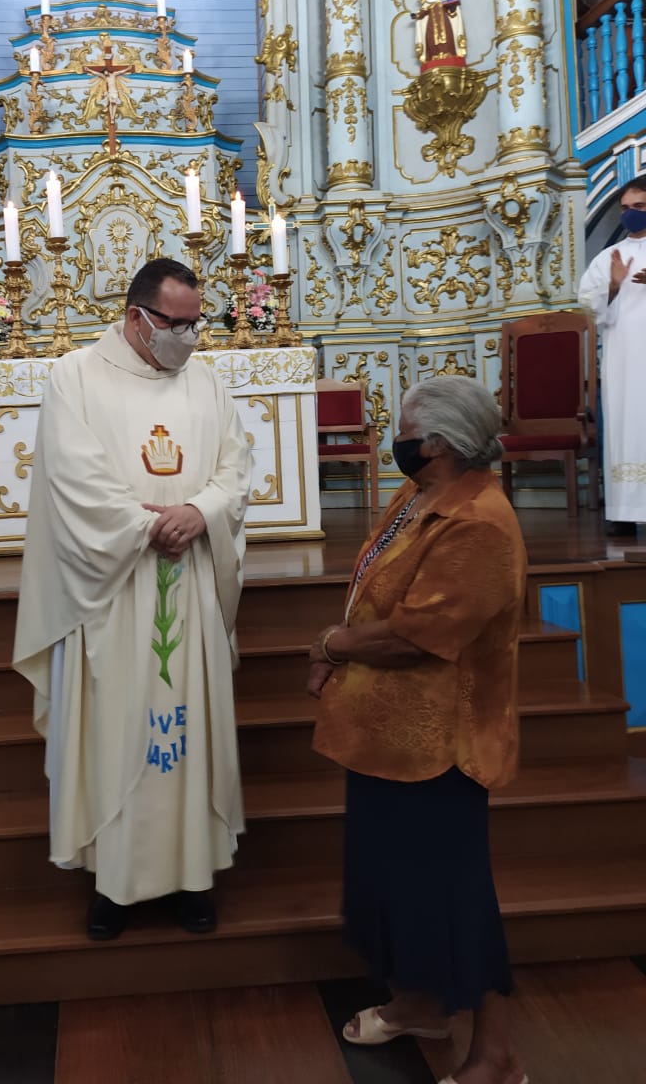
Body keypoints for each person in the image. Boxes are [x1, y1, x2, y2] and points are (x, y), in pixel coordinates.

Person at [13, 258, 251, 941]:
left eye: (195, 323)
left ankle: (194, 877)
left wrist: (201, 510)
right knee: (120, 732)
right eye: (174, 324)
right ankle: (113, 883)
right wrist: (149, 525)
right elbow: (73, 477)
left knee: (187, 728)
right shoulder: (76, 377)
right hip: (114, 590)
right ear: (135, 317)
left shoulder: (206, 379)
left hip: (192, 576)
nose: (188, 337)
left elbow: (236, 466)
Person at [307, 376, 527, 1084]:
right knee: (394, 883)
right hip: (385, 735)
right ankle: (418, 1004)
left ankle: (495, 1057)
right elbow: (379, 581)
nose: (394, 436)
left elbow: (421, 636)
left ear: (433, 442)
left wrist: (336, 644)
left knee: (455, 897)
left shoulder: (481, 522)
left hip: (442, 745)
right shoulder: (422, 495)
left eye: (403, 427)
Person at [577, 175, 646, 536]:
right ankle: (622, 510)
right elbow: (587, 303)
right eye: (625, 208)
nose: (631, 214)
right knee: (624, 425)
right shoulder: (609, 257)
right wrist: (614, 284)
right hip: (622, 357)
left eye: (639, 207)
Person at [412, 0, 466, 73]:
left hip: (445, 25)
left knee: (448, 39)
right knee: (431, 40)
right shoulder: (428, 3)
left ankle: (448, 55)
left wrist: (453, 8)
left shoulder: (445, 0)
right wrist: (416, 16)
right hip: (431, 26)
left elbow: (452, 13)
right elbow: (423, 12)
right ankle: (434, 57)